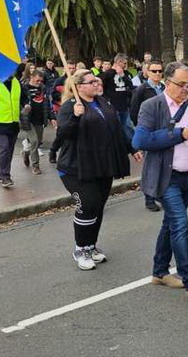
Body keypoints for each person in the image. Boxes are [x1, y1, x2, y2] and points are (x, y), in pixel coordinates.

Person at [132, 62, 188, 304]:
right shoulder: (152, 106)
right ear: (167, 82)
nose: (185, 90)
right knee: (180, 225)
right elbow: (140, 139)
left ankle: (159, 272)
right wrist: (177, 135)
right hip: (166, 177)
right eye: (181, 85)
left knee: (170, 224)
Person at [56, 69, 142, 270]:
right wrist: (76, 117)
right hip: (75, 167)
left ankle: (91, 245)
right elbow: (63, 134)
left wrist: (131, 148)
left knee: (98, 206)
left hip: (101, 164)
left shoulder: (103, 103)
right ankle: (81, 249)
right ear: (79, 87)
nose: (97, 83)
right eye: (91, 81)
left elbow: (116, 129)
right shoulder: (70, 107)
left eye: (96, 80)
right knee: (87, 205)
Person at [130, 59, 165, 212]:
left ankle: (161, 195)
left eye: (159, 71)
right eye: (154, 71)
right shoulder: (141, 90)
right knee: (150, 165)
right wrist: (141, 129)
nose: (157, 74)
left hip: (163, 132)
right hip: (149, 133)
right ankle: (149, 198)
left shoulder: (164, 87)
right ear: (147, 72)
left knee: (164, 164)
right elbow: (134, 112)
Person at [20, 69, 56, 175]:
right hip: (28, 120)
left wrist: (52, 117)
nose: (39, 82)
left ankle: (26, 152)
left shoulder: (43, 89)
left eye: (41, 81)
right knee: (34, 141)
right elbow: (19, 102)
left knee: (38, 142)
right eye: (37, 80)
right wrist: (23, 109)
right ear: (32, 77)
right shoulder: (24, 88)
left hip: (40, 119)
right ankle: (35, 165)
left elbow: (47, 105)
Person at [101, 53, 135, 141]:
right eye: (124, 63)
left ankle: (133, 145)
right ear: (119, 62)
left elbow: (131, 85)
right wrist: (106, 100)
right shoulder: (107, 74)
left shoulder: (126, 73)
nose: (125, 65)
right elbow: (100, 88)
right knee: (116, 127)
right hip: (113, 106)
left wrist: (123, 75)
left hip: (124, 105)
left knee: (127, 126)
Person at [48, 60, 77, 163]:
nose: (72, 70)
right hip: (61, 109)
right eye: (69, 68)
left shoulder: (77, 80)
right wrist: (62, 101)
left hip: (75, 109)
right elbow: (53, 94)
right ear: (65, 68)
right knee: (61, 132)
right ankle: (53, 150)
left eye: (73, 68)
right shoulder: (59, 81)